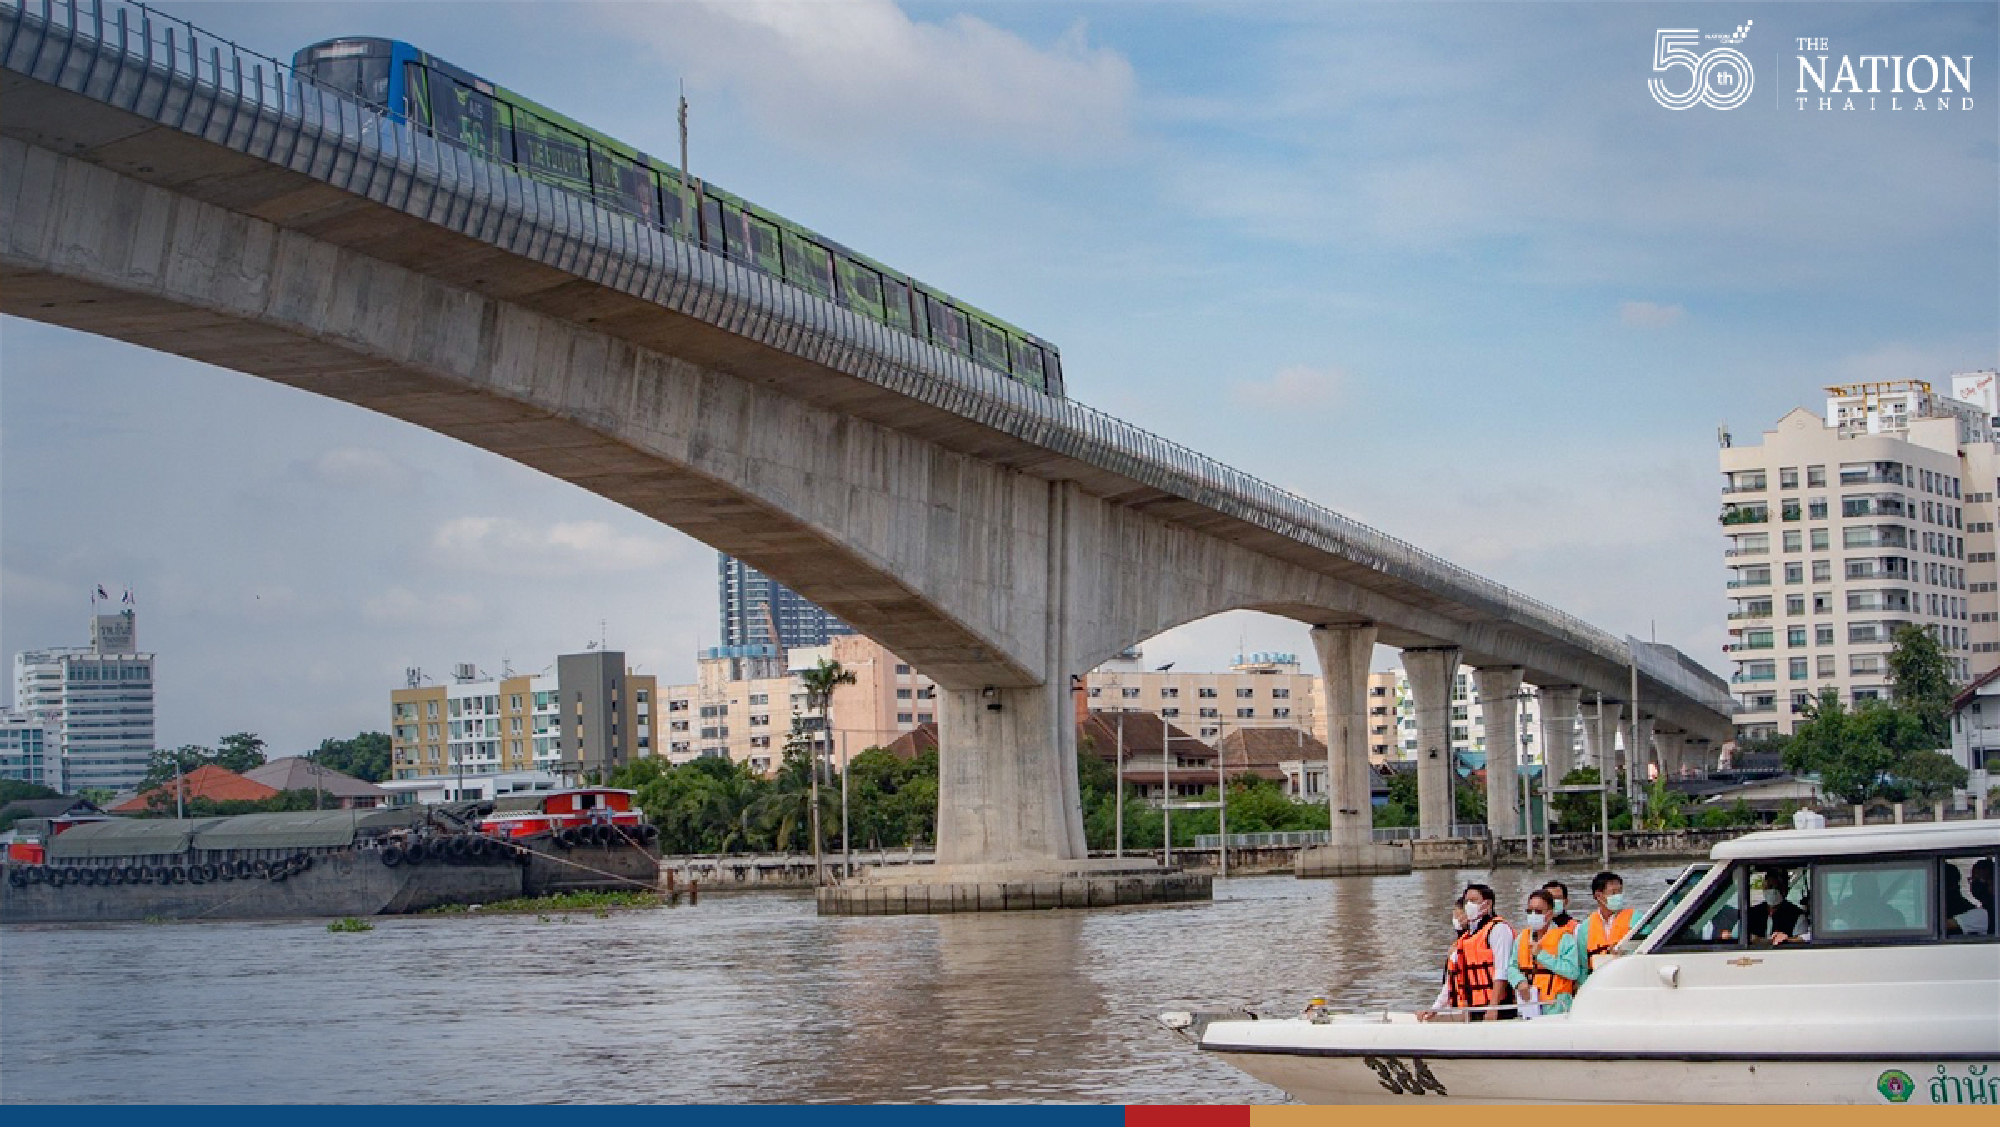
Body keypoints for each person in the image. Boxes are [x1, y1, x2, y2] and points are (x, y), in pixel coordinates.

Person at [1419, 883, 1515, 1022]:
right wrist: (1436, 1007)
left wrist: (1493, 1007)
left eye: (1473, 901)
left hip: (1497, 1007)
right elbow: (1452, 979)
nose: (1469, 905)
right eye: (1466, 901)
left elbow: (1502, 971)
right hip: (1472, 1007)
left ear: (1487, 904)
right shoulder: (1466, 938)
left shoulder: (1498, 929)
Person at [1506, 889, 1584, 1017]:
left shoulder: (1565, 938)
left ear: (1550, 913)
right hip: (1528, 1005)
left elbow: (1572, 971)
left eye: (1538, 911)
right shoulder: (1522, 938)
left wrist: (1542, 955)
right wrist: (1519, 982)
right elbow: (1511, 967)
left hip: (1556, 1007)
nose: (1532, 914)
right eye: (1529, 911)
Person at [1579, 870, 1635, 970]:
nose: (1618, 896)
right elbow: (1583, 965)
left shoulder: (1635, 918)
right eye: (1613, 892)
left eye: (1620, 891)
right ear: (1598, 896)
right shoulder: (1585, 927)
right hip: (1598, 978)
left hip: (1628, 972)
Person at [1746, 867, 1806, 944]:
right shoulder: (1752, 913)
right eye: (1769, 887)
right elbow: (1737, 935)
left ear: (1785, 890)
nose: (1773, 891)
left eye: (1777, 888)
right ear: (1764, 888)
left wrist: (1786, 940)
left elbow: (1802, 941)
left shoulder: (1797, 915)